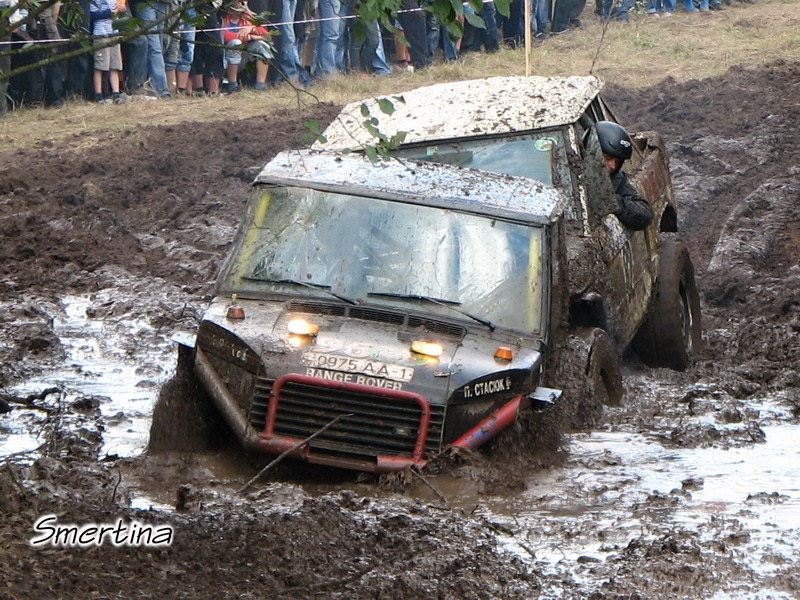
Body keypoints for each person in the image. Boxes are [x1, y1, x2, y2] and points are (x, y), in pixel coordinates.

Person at [594, 120, 654, 231]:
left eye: (617, 161)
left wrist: (615, 202)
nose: (613, 166)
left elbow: (645, 214)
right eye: (607, 158)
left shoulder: (617, 180)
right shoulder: (570, 174)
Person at [222, 0, 272, 91]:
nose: (243, 3)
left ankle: (260, 85)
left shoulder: (248, 17)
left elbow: (267, 36)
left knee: (263, 46)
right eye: (240, 1)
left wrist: (251, 29)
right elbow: (226, 36)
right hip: (225, 59)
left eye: (245, 1)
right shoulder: (223, 18)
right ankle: (232, 85)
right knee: (236, 43)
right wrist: (248, 37)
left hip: (243, 57)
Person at [90, 0, 127, 104]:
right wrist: (110, 13)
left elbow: (120, 10)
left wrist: (122, 9)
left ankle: (116, 93)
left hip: (114, 33)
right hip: (101, 33)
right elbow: (92, 14)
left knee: (115, 65)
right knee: (100, 66)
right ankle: (98, 94)